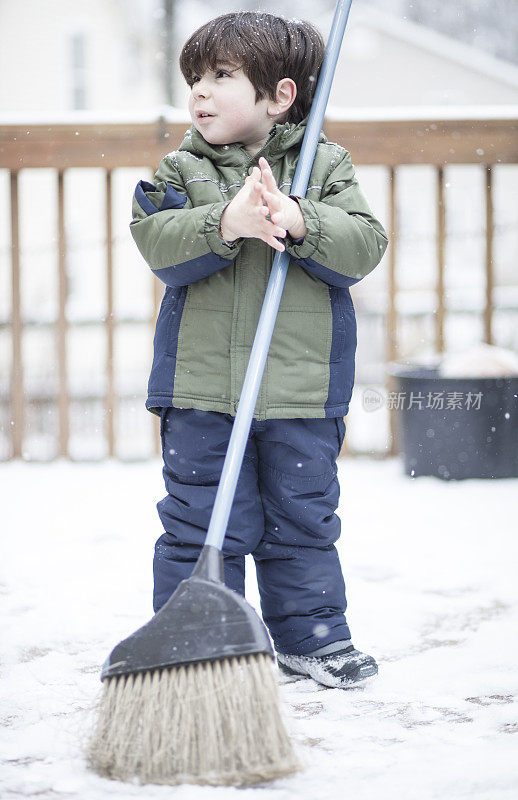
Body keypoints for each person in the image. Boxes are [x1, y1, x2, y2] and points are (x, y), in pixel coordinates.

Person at [130, 11, 388, 688]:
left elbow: (363, 247)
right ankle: (199, 641)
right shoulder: (183, 167)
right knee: (203, 521)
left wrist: (303, 220)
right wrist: (225, 222)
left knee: (300, 519)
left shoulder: (325, 167)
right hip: (202, 393)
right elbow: (157, 241)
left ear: (280, 96)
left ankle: (313, 639)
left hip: (300, 394)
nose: (200, 93)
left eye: (220, 76)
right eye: (195, 78)